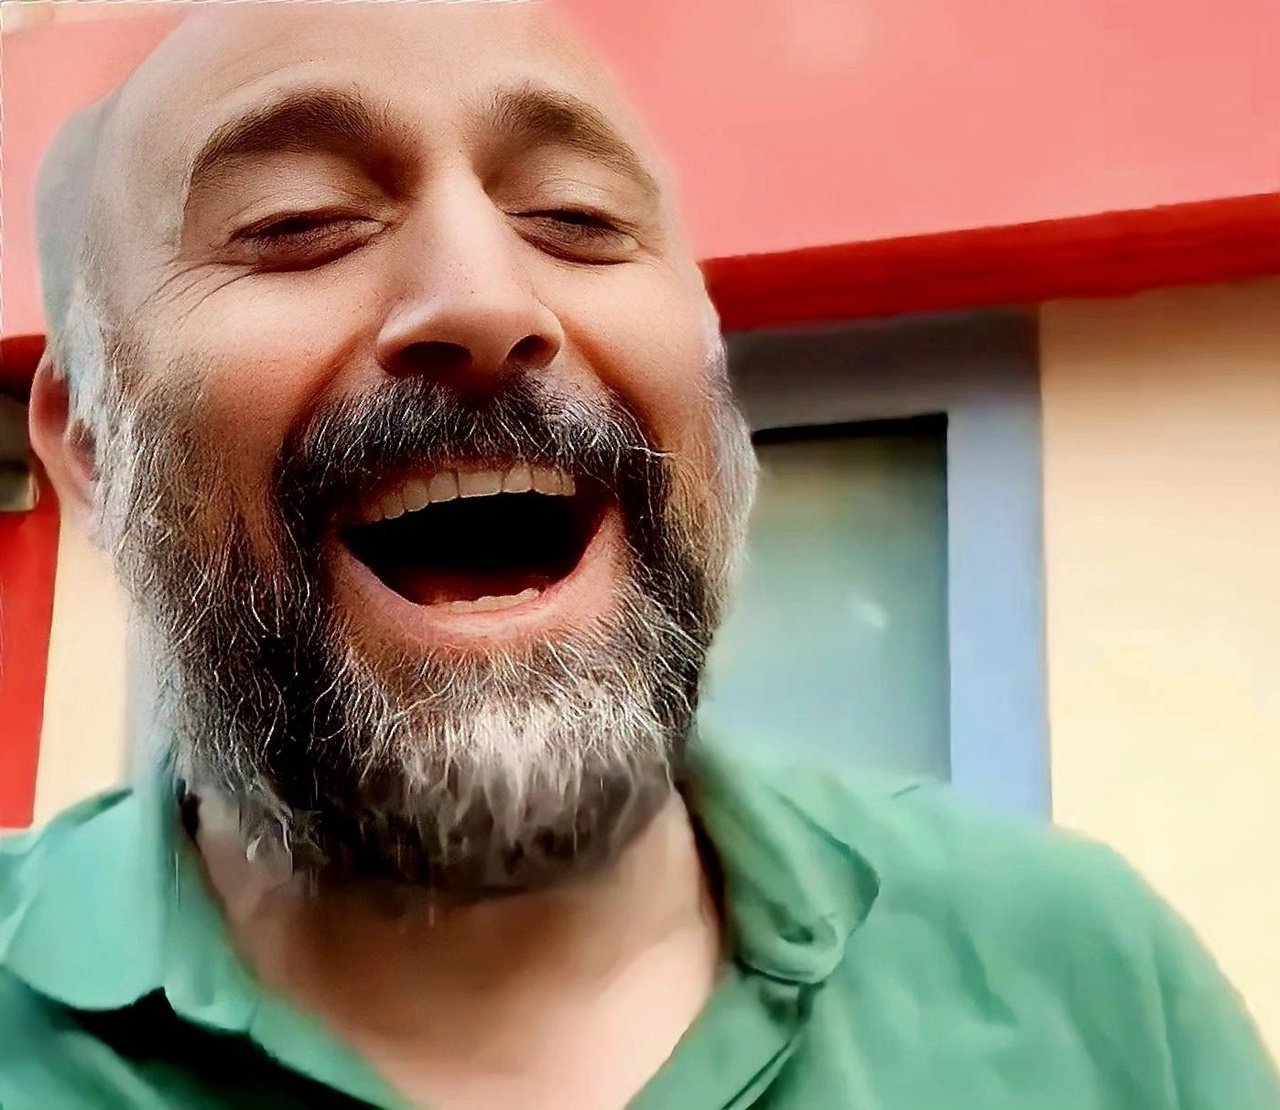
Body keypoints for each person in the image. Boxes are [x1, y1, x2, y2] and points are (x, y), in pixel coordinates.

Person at [2, 2, 1276, 1107]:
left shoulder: (1085, 977)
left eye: (575, 216)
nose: (486, 301)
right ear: (94, 448)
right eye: (298, 222)